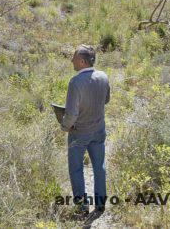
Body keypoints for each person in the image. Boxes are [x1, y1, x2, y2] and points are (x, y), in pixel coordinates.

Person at [62, 45, 110, 217]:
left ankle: (82, 208)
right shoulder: (103, 77)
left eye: (74, 57)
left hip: (79, 132)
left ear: (82, 61)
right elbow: (106, 100)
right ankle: (100, 204)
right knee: (100, 167)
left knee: (76, 169)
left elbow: (72, 113)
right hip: (98, 130)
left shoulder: (75, 82)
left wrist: (65, 126)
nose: (72, 60)